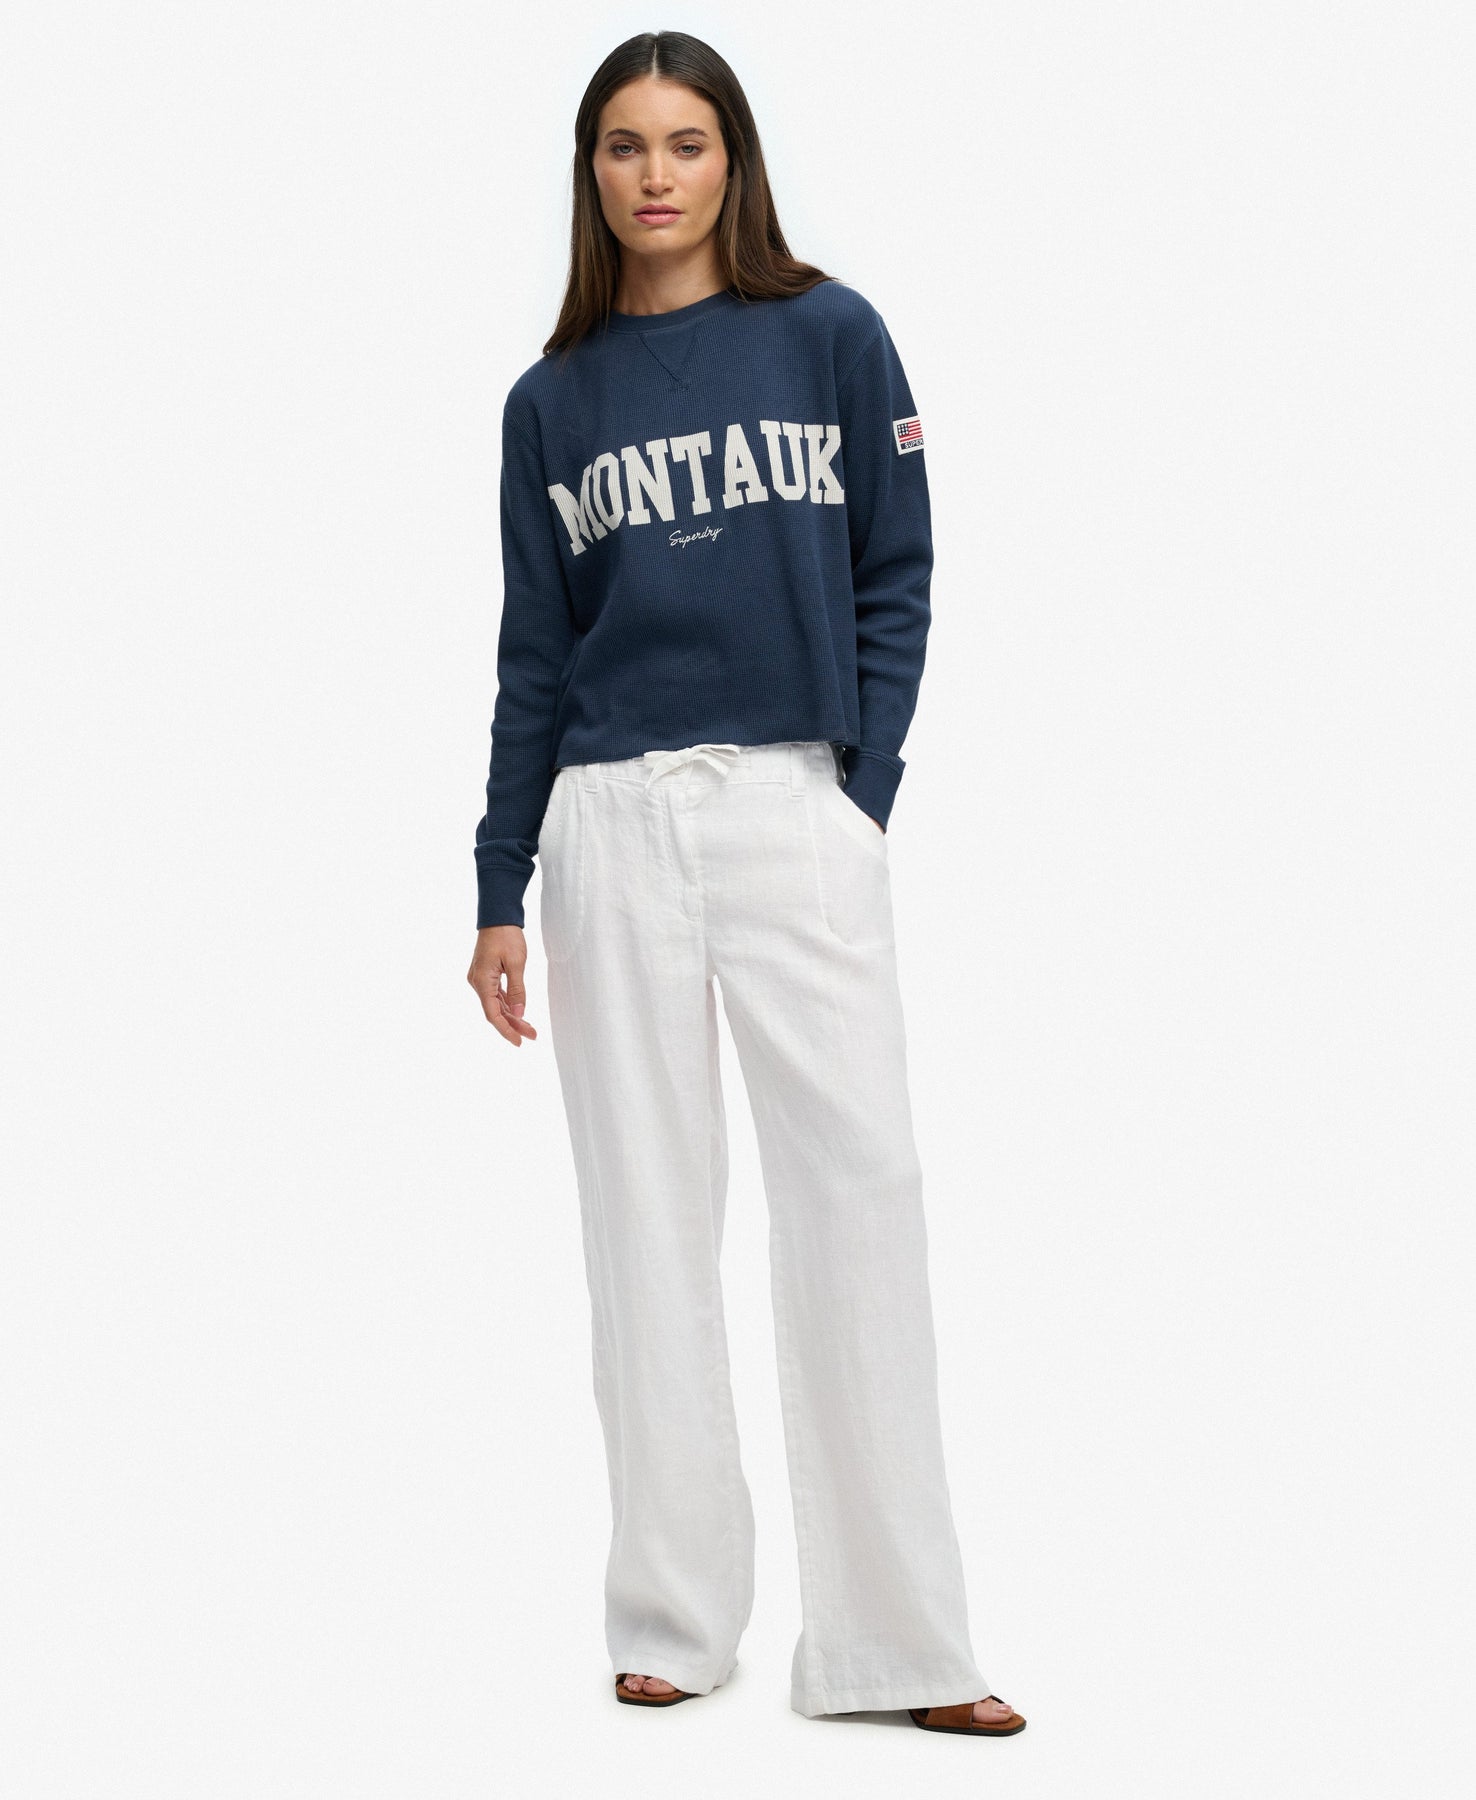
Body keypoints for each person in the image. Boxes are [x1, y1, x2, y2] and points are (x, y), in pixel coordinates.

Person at [466, 30, 1025, 1738]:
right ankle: (673, 1617)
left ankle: (899, 1646)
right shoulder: (551, 403)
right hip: (610, 824)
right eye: (624, 146)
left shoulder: (830, 334)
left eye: (687, 143)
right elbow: (534, 655)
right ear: (590, 171)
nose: (655, 176)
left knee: (862, 1198)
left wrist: (862, 796)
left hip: (795, 808)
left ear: (734, 159)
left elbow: (897, 569)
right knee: (645, 1223)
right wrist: (498, 884)